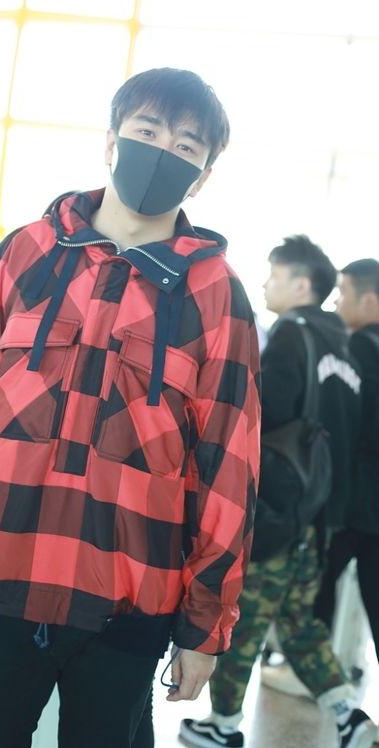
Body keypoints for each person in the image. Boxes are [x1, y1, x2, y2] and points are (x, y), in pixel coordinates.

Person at [0, 68, 261, 748]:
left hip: (128, 608)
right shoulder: (28, 253)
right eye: (147, 132)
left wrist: (205, 625)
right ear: (111, 142)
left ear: (203, 176)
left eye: (186, 146)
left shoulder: (214, 291)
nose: (162, 152)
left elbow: (228, 466)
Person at [180, 236, 377, 748]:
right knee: (298, 620)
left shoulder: (292, 334)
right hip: (319, 513)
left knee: (241, 618)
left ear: (302, 284)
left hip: (277, 509)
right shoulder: (343, 345)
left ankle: (223, 725)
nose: (266, 284)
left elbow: (260, 416)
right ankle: (348, 715)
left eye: (275, 274)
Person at [314, 259, 379, 661]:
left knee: (314, 588)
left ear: (369, 300)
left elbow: (349, 426)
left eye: (343, 292)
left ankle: (314, 674)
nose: (336, 302)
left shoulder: (361, 348)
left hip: (356, 500)